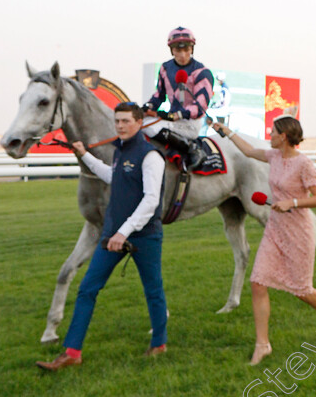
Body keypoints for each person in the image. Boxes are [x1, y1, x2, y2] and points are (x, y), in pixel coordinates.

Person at [36, 102, 168, 371]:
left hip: (144, 236)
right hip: (112, 236)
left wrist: (124, 231)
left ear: (139, 123)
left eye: (125, 121)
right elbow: (112, 176)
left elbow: (151, 200)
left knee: (153, 291)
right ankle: (72, 352)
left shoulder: (151, 156)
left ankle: (159, 343)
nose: (120, 126)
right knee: (87, 289)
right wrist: (85, 155)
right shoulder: (119, 152)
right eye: (117, 121)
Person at [212, 116, 316, 366]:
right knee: (258, 281)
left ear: (283, 136)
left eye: (272, 132)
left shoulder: (303, 164)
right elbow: (249, 150)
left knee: (302, 290)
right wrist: (227, 131)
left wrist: (292, 202)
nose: (269, 135)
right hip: (274, 228)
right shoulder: (273, 156)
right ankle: (263, 344)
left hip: (297, 231)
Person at [141, 26, 214, 169]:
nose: (182, 54)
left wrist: (179, 115)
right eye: (178, 50)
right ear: (172, 50)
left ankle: (191, 148)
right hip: (171, 120)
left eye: (186, 50)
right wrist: (148, 106)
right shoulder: (165, 68)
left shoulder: (202, 72)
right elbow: (159, 96)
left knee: (147, 127)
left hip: (190, 122)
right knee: (139, 121)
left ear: (191, 49)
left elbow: (201, 105)